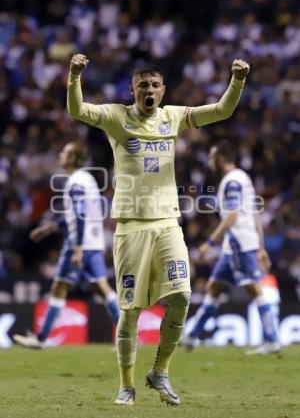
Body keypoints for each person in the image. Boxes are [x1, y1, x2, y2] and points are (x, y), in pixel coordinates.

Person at [66, 54, 250, 405]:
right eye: (142, 86)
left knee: (182, 297)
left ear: (162, 90)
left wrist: (237, 81)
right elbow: (78, 110)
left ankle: (160, 371)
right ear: (132, 90)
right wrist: (74, 76)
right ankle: (126, 384)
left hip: (168, 223)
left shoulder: (174, 117)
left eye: (154, 85)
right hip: (131, 227)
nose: (149, 91)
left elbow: (222, 110)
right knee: (130, 311)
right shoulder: (116, 117)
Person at [13, 142, 119, 348]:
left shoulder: (76, 181)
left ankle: (41, 338)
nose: (61, 154)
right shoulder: (87, 179)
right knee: (103, 288)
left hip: (79, 243)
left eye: (65, 152)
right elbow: (77, 215)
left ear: (73, 158)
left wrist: (77, 248)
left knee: (59, 286)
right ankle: (128, 336)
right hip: (94, 242)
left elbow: (79, 215)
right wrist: (50, 228)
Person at [181, 141, 280, 354]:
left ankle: (272, 339)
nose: (209, 161)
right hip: (237, 242)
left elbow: (234, 214)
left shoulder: (232, 181)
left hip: (238, 241)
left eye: (211, 156)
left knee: (253, 288)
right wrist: (260, 246)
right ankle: (191, 336)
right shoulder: (243, 177)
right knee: (214, 286)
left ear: (220, 157)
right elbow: (254, 212)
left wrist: (209, 242)